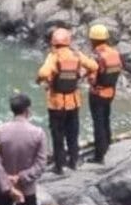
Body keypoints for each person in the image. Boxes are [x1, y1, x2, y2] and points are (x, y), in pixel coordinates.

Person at [36, 27, 96, 175]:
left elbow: (43, 73)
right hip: (74, 102)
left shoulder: (54, 56)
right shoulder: (76, 54)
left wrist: (42, 81)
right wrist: (82, 74)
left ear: (53, 42)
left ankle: (59, 166)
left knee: (58, 134)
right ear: (68, 41)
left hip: (56, 103)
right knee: (73, 132)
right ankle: (73, 161)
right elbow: (94, 66)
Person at [87, 23, 122, 164]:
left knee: (98, 123)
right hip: (111, 92)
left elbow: (92, 78)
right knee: (106, 118)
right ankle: (108, 144)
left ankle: (99, 156)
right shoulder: (115, 53)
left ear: (93, 40)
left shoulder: (97, 56)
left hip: (97, 94)